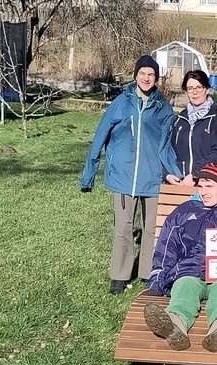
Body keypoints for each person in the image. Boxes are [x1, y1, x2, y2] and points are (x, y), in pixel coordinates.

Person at [79, 54, 181, 295]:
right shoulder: (120, 103)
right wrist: (88, 174)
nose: (146, 78)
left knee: (151, 229)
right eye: (142, 73)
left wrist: (175, 173)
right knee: (123, 228)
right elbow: (100, 136)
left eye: (151, 74)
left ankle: (148, 273)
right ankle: (119, 274)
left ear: (156, 79)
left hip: (152, 177)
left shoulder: (163, 108)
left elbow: (166, 146)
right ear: (135, 76)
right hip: (123, 177)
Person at [143, 163, 217, 352]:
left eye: (209, 186)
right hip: (188, 270)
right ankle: (174, 323)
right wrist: (156, 280)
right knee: (184, 288)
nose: (203, 192)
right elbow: (166, 246)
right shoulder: (184, 212)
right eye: (200, 186)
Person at [168, 70, 217, 187]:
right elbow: (170, 151)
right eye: (190, 88)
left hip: (208, 184)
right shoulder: (180, 119)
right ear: (186, 92)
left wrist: (194, 174)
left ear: (207, 89)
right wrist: (168, 174)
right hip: (181, 183)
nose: (195, 92)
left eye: (199, 87)